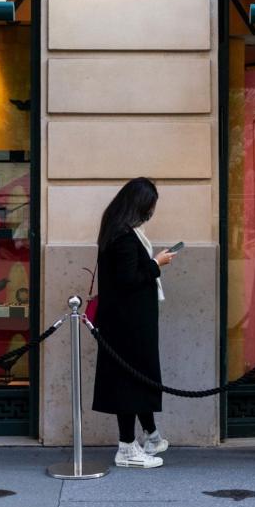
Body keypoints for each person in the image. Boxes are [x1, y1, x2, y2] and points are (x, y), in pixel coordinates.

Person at [91, 177, 177, 469]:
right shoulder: (125, 238)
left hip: (128, 322)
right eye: (150, 206)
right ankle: (126, 447)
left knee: (138, 378)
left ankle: (149, 435)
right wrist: (156, 264)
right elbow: (129, 279)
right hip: (127, 324)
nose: (152, 212)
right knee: (129, 381)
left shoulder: (118, 232)